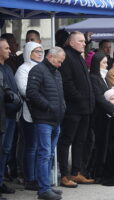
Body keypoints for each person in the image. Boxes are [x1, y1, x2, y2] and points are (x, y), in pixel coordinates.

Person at [26, 46, 66, 200]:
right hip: (44, 119)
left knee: (48, 155)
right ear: (50, 56)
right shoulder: (38, 70)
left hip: (56, 119)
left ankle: (46, 186)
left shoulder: (56, 73)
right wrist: (48, 106)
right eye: (59, 61)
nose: (60, 64)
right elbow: (32, 93)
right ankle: (43, 189)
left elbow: (60, 95)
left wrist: (62, 108)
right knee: (44, 154)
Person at [58, 31, 95, 188]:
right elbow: (67, 84)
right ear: (71, 42)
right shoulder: (66, 56)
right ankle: (65, 174)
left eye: (84, 41)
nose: (84, 43)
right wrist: (81, 99)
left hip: (85, 108)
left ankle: (76, 172)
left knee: (81, 140)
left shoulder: (79, 56)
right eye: (80, 41)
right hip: (73, 109)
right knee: (67, 141)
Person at [15, 41, 44, 191]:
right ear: (28, 53)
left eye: (41, 51)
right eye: (36, 51)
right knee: (31, 146)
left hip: (43, 113)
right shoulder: (23, 69)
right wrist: (43, 97)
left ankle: (40, 178)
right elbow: (25, 90)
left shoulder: (43, 68)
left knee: (41, 148)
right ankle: (30, 179)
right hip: (28, 113)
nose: (40, 53)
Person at [89, 52, 114, 182]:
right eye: (104, 63)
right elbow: (99, 97)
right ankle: (94, 171)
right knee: (97, 145)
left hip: (104, 114)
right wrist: (112, 109)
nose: (106, 65)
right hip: (97, 115)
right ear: (97, 64)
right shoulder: (94, 77)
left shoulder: (102, 77)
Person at [0, 38, 22, 194]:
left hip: (10, 115)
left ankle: (1, 181)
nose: (10, 50)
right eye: (6, 48)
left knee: (6, 150)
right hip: (2, 116)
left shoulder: (7, 68)